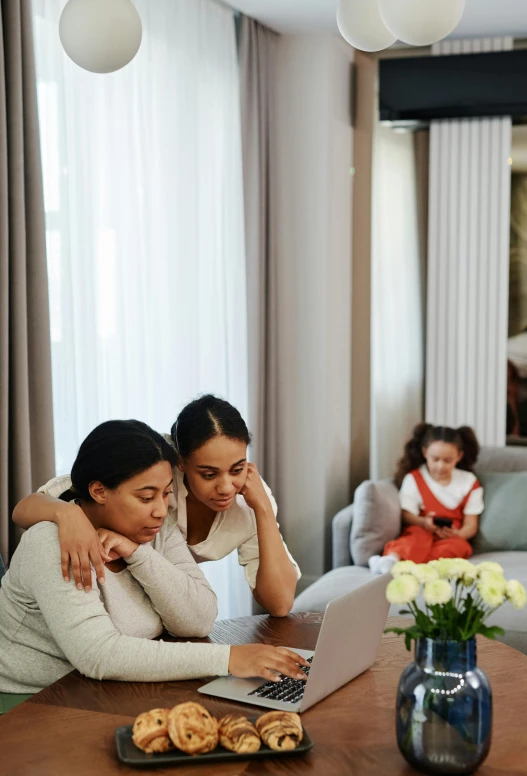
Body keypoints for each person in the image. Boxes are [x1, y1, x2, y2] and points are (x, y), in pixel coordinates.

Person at [0, 420, 308, 712]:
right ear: (99, 491)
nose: (161, 510)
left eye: (165, 493)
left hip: (103, 691)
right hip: (29, 701)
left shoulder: (153, 529)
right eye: (146, 497)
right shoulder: (52, 544)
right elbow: (98, 655)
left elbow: (197, 619)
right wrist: (229, 658)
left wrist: (138, 554)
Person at [13, 395, 300, 617]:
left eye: (237, 469)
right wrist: (67, 513)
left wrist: (262, 510)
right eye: (209, 475)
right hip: (114, 595)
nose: (226, 487)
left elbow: (279, 604)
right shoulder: (157, 466)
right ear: (181, 462)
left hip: (165, 600)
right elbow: (30, 507)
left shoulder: (251, 499)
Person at [368, 423, 484, 575]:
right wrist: (423, 522)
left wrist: (458, 534)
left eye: (447, 460)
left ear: (459, 456)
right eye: (435, 459)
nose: (440, 466)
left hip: (451, 537)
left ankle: (411, 567)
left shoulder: (469, 482)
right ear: (424, 453)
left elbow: (471, 525)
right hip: (422, 529)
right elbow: (406, 514)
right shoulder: (414, 478)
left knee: (459, 547)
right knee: (416, 539)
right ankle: (392, 559)